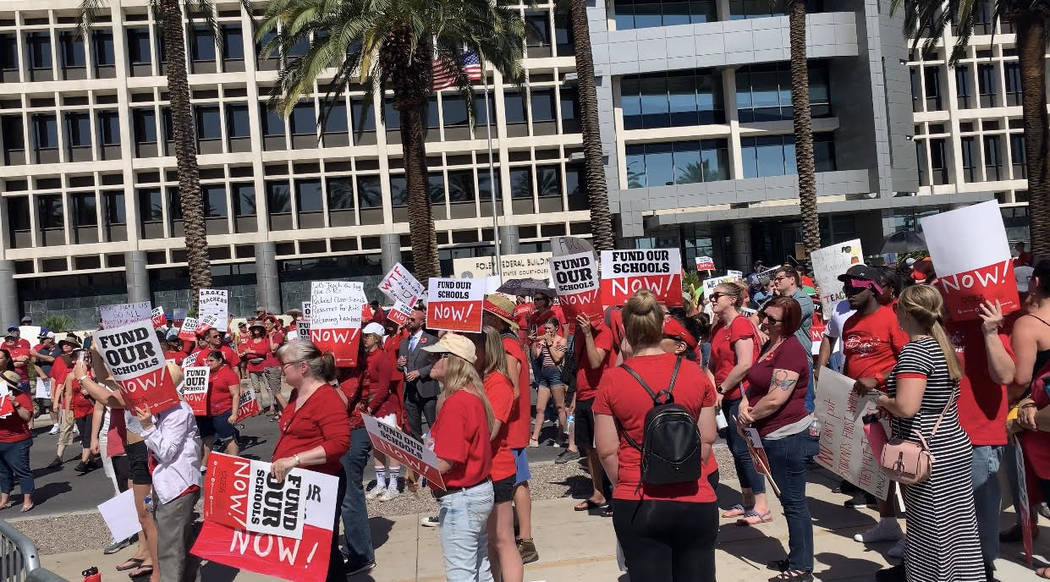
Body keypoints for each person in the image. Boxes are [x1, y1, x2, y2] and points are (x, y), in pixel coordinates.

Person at [855, 284, 983, 582]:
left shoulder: (915, 351)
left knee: (930, 531)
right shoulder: (942, 345)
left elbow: (907, 406)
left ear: (907, 313)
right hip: (951, 446)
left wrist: (880, 399)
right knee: (959, 530)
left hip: (926, 454)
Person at [593, 290, 718, 581]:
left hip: (638, 498)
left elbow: (607, 451)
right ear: (662, 327)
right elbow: (707, 439)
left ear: (625, 329)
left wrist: (623, 484)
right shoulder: (695, 374)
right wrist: (681, 468)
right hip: (695, 496)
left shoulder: (612, 380)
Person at [738, 297, 818, 580]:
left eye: (773, 319)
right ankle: (798, 557)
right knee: (789, 501)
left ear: (790, 323)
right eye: (765, 315)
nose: (765, 321)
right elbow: (757, 383)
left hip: (786, 435)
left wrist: (750, 416)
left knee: (794, 502)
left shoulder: (791, 350)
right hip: (769, 432)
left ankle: (801, 567)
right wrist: (744, 403)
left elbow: (776, 397)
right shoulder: (773, 344)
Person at [838, 265, 909, 548]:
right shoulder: (849, 323)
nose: (848, 293)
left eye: (855, 288)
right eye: (846, 288)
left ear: (872, 289)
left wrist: (877, 377)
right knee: (874, 466)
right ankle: (888, 523)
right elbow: (848, 361)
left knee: (900, 467)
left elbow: (909, 361)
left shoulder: (892, 318)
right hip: (861, 406)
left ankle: (914, 535)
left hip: (889, 404)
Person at [271, 340, 353, 580]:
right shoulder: (298, 394)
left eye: (284, 365)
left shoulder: (326, 397)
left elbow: (339, 444)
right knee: (307, 551)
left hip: (320, 484)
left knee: (321, 552)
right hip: (298, 484)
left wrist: (294, 459)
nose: (280, 369)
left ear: (303, 367)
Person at [421, 333, 496, 582]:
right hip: (477, 491)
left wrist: (411, 459)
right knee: (479, 566)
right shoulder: (472, 396)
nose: (430, 360)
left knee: (461, 573)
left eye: (436, 356)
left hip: (461, 497)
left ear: (451, 361)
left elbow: (445, 462)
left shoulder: (457, 403)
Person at [481, 295, 537, 563]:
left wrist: (493, 409)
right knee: (515, 481)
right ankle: (519, 533)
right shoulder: (506, 342)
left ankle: (526, 539)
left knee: (517, 481)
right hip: (510, 424)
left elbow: (512, 390)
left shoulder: (507, 345)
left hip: (510, 426)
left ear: (495, 320)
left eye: (485, 315)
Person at [708, 280, 766, 524]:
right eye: (712, 296)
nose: (712, 299)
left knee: (746, 450)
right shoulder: (718, 327)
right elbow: (711, 364)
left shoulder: (740, 325)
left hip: (740, 396)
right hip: (725, 396)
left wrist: (722, 388)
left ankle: (761, 505)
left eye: (716, 295)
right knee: (735, 449)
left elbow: (745, 364)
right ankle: (747, 500)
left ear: (732, 299)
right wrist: (713, 388)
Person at [1006, 259, 1050, 549]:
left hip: (1036, 412)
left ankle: (1028, 525)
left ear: (1035, 283)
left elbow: (1021, 377)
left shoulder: (1028, 324)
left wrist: (1008, 404)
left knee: (1034, 478)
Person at [136, 391, 203, 582]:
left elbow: (166, 452)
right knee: (183, 547)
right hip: (171, 485)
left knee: (170, 553)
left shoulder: (177, 411)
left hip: (178, 487)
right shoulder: (163, 411)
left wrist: (148, 427)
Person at [474, 326, 522, 582]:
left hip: (498, 470)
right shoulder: (483, 379)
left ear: (486, 348)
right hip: (486, 470)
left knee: (503, 540)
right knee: (492, 541)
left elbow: (491, 431)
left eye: (475, 344)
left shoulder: (499, 382)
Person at [357, 323, 400, 502]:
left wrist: (370, 407)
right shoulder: (365, 357)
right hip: (370, 407)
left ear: (376, 337)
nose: (364, 339)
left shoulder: (383, 358)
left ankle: (394, 486)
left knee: (390, 447)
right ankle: (381, 483)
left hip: (383, 407)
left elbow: (383, 388)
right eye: (364, 336)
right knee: (377, 446)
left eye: (367, 336)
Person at [398, 308, 440, 439]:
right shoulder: (404, 342)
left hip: (427, 390)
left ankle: (437, 455)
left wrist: (420, 372)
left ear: (421, 322)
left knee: (434, 427)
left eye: (412, 319)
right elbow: (400, 366)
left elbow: (437, 363)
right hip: (410, 393)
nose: (409, 322)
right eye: (408, 319)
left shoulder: (431, 340)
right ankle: (420, 456)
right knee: (414, 430)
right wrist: (399, 364)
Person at [529, 318, 568, 448]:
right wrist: (534, 343)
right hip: (544, 374)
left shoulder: (561, 340)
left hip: (556, 374)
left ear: (556, 328)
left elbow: (557, 358)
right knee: (540, 408)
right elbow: (535, 355)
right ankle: (535, 437)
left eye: (549, 328)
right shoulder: (542, 341)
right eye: (545, 328)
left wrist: (550, 344)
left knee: (560, 407)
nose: (546, 331)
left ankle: (561, 435)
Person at [0, 371, 34, 512]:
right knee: (3, 472)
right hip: (1, 440)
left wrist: (16, 404)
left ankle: (28, 500)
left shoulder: (21, 397)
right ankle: (5, 499)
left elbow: (27, 417)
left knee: (22, 471)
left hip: (17, 440)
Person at [199, 350, 242, 461]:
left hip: (223, 411)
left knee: (228, 439)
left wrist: (234, 414)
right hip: (207, 413)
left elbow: (236, 395)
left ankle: (234, 462)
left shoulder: (229, 374)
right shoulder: (206, 374)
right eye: (207, 361)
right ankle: (204, 464)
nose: (208, 363)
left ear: (220, 361)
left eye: (211, 361)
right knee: (207, 439)